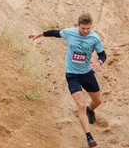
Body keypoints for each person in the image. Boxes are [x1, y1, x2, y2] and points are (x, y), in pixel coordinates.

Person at [28, 14, 107, 148]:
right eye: (83, 28)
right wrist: (39, 34)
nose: (85, 31)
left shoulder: (94, 38)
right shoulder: (70, 33)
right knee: (80, 105)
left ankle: (90, 110)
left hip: (87, 73)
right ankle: (89, 137)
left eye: (88, 28)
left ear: (91, 26)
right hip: (72, 75)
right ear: (78, 26)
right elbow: (55, 33)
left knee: (98, 101)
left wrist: (99, 62)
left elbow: (102, 55)